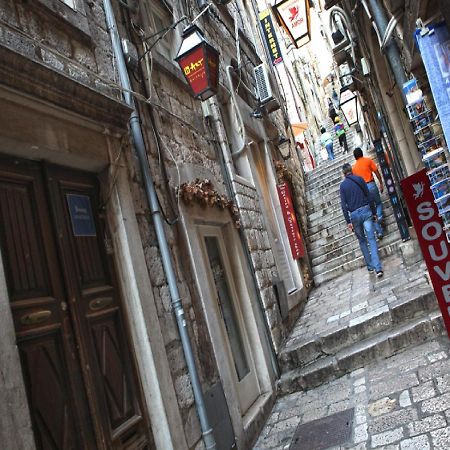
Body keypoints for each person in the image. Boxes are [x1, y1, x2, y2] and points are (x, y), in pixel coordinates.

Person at [340, 163, 383, 277]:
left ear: (344, 174)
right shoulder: (359, 179)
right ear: (352, 170)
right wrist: (374, 213)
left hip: (354, 215)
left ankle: (370, 267)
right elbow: (369, 196)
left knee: (362, 241)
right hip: (366, 212)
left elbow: (343, 205)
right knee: (372, 240)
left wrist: (348, 221)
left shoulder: (343, 186)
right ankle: (378, 268)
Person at [351, 147, 384, 239]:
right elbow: (376, 171)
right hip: (371, 185)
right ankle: (380, 217)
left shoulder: (354, 168)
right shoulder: (368, 161)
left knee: (371, 210)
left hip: (363, 190)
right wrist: (381, 183)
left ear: (355, 157)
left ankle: (379, 231)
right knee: (378, 204)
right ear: (362, 153)